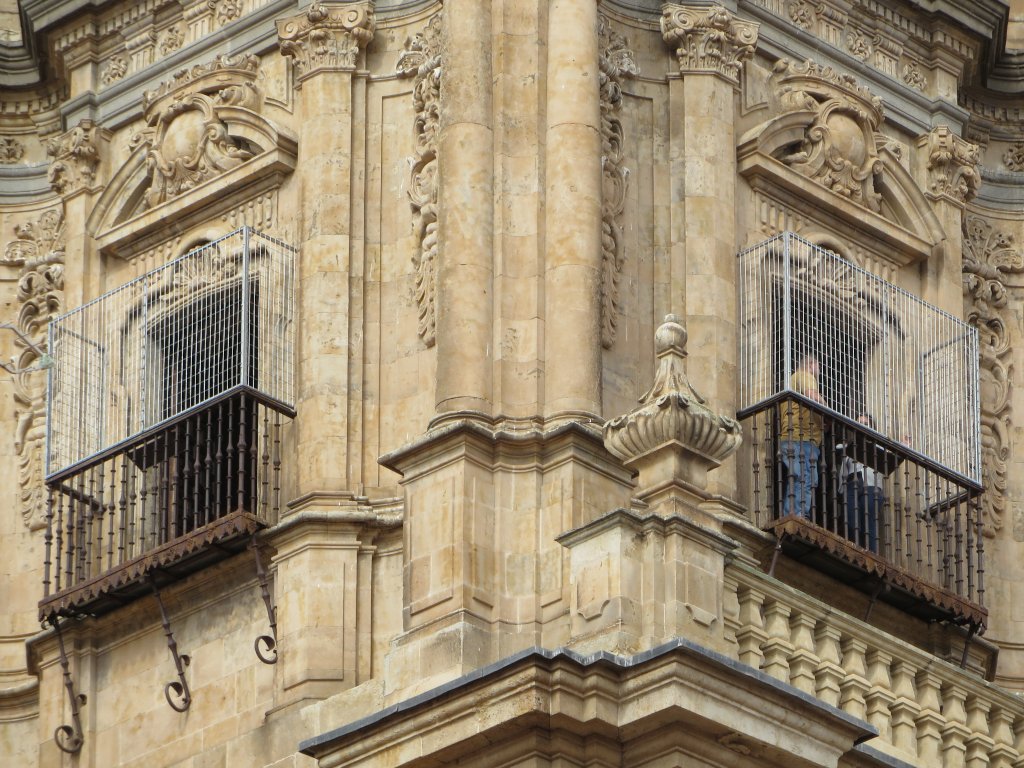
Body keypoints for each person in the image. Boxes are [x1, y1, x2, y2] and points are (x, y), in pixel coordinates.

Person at [779, 354, 825, 519]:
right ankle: (797, 514)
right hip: (802, 438)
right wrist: (829, 411)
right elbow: (812, 395)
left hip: (792, 437)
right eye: (818, 366)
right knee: (805, 478)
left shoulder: (791, 381)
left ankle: (791, 513)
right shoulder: (805, 376)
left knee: (798, 477)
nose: (819, 370)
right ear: (811, 364)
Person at [839, 413, 885, 553]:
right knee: (852, 523)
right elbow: (842, 474)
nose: (861, 426)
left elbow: (892, 456)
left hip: (872, 487)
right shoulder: (847, 449)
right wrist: (842, 492)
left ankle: (871, 554)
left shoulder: (879, 447)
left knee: (868, 525)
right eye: (859, 423)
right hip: (852, 484)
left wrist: (904, 445)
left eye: (865, 424)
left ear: (872, 428)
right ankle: (856, 551)